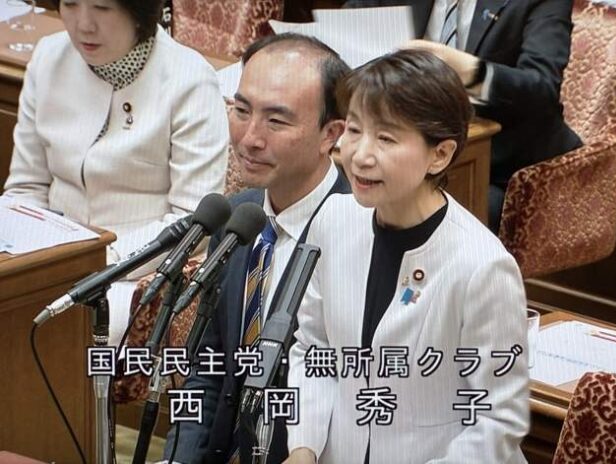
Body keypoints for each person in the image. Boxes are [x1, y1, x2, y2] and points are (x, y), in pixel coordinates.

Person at [284, 49, 529, 464]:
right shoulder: (334, 219)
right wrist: (303, 448)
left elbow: (497, 419)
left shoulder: (483, 266)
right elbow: (313, 347)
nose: (360, 154)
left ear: (440, 154)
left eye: (386, 138)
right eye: (355, 130)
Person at [162, 33, 351, 464]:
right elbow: (208, 370)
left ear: (331, 134)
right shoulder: (237, 217)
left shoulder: (359, 235)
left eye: (276, 121)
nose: (249, 138)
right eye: (241, 110)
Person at [3, 0, 229, 344]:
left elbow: (193, 221)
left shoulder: (190, 80)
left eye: (102, 8)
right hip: (46, 260)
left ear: (140, 12)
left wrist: (99, 260)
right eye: (70, 4)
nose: (83, 24)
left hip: (129, 274)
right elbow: (26, 186)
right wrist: (29, 261)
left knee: (64, 335)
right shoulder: (49, 57)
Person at [344, 0, 582, 231]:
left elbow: (542, 88)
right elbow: (347, 23)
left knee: (453, 218)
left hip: (501, 165)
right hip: (406, 143)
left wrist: (470, 72)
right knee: (349, 200)